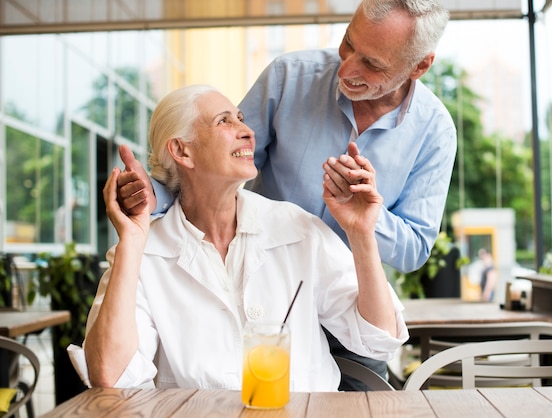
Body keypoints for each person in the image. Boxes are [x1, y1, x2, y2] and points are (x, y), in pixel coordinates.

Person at [115, 0, 455, 390]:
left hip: (355, 304)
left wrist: (367, 217)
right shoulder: (289, 77)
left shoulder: (436, 131)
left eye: (372, 65)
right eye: (348, 43)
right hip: (270, 302)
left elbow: (414, 248)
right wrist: (153, 196)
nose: (346, 69)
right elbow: (216, 164)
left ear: (419, 66)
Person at [67, 85, 408, 391]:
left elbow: (378, 339)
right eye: (224, 121)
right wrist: (132, 239)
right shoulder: (142, 252)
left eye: (242, 119)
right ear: (182, 152)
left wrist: (362, 234)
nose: (246, 131)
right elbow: (110, 376)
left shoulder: (297, 229)